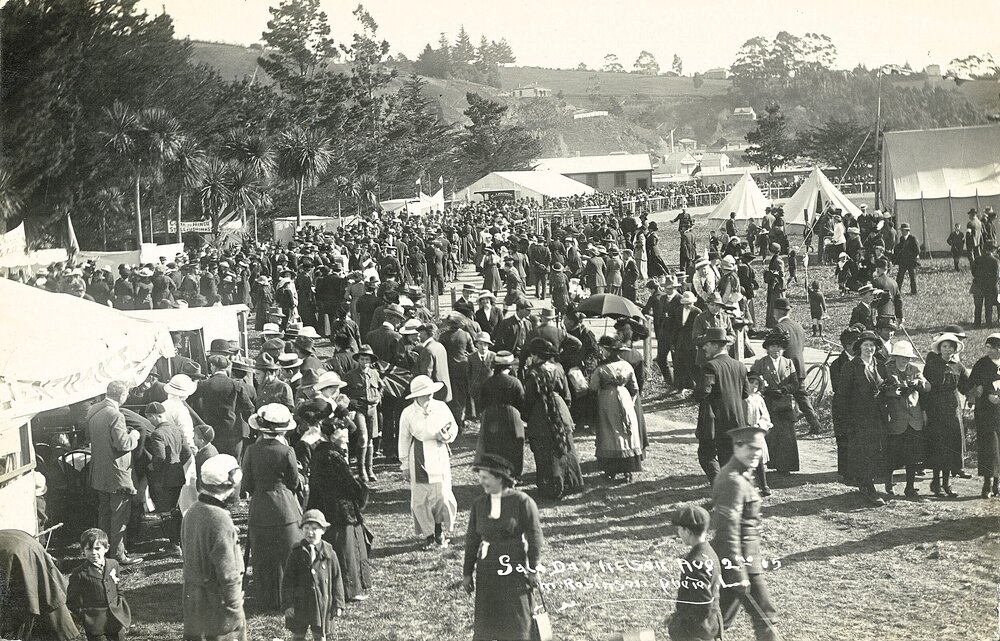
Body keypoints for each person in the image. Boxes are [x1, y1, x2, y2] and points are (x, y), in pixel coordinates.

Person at [462, 454, 544, 641]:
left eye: (485, 478)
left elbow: (535, 537)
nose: (482, 482)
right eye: (480, 478)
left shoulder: (522, 502)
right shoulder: (479, 504)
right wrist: (467, 573)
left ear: (500, 478)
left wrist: (532, 569)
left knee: (517, 622)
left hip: (514, 568)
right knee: (487, 624)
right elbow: (472, 540)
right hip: (487, 570)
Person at [711, 426, 779, 641]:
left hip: (744, 558)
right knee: (764, 616)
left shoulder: (742, 475)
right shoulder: (732, 480)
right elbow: (727, 529)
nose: (756, 454)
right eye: (751, 449)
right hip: (738, 561)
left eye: (759, 449)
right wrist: (738, 572)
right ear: (737, 447)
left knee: (718, 620)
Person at [242, 404, 303, 611]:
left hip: (259, 507)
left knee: (262, 557)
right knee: (287, 553)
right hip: (285, 507)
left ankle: (266, 598)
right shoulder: (287, 451)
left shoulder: (251, 450)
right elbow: (294, 482)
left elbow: (247, 484)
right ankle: (289, 597)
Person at [307, 414, 372, 602]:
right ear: (332, 434)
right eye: (342, 430)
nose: (346, 434)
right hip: (340, 510)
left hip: (325, 508)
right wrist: (361, 490)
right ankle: (350, 590)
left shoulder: (322, 452)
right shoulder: (333, 456)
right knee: (346, 552)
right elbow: (349, 484)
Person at [181, 454, 246, 641]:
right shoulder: (220, 518)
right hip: (218, 602)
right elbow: (228, 572)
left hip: (194, 600)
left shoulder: (192, 511)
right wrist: (234, 607)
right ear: (229, 485)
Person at [85, 381, 143, 565]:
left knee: (104, 513)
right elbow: (122, 444)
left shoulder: (94, 412)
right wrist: (134, 436)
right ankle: (118, 555)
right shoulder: (116, 415)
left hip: (100, 472)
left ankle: (102, 549)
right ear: (122, 395)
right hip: (116, 473)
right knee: (119, 515)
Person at [398, 375, 460, 547]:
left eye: (431, 392)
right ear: (416, 395)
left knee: (442, 493)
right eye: (425, 393)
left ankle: (439, 530)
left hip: (439, 451)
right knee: (421, 497)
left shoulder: (441, 407)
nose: (429, 395)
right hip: (418, 455)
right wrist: (404, 465)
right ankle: (428, 534)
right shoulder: (408, 413)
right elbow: (403, 438)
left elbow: (453, 427)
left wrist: (446, 436)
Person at [523, 337, 584, 498]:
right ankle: (570, 482)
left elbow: (529, 398)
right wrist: (564, 408)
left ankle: (551, 486)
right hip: (559, 407)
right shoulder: (558, 368)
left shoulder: (532, 373)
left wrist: (528, 416)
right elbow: (566, 394)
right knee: (564, 444)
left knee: (545, 450)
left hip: (541, 412)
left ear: (536, 356)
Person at [694, 328, 750, 484]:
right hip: (738, 420)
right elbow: (745, 393)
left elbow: (703, 391)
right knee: (729, 457)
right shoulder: (740, 366)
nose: (704, 348)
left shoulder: (710, 366)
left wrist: (696, 392)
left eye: (706, 344)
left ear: (715, 346)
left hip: (715, 421)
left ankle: (720, 485)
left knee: (706, 454)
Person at [841, 331, 890, 506]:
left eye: (872, 345)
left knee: (876, 449)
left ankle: (867, 482)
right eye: (865, 345)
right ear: (859, 347)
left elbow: (885, 386)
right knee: (863, 451)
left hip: (878, 415)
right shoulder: (851, 367)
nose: (869, 348)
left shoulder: (880, 365)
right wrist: (845, 419)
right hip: (859, 417)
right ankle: (868, 487)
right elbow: (843, 395)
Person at [280, 509, 345, 641]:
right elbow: (288, 580)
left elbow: (337, 579)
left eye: (315, 528)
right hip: (300, 603)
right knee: (298, 634)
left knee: (320, 634)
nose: (310, 532)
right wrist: (288, 604)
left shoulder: (329, 553)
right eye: (306, 527)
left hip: (321, 602)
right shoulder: (296, 553)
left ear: (323, 531)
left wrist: (338, 604)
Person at [663, 504, 723, 641]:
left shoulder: (695, 563)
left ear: (687, 531)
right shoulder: (709, 552)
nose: (678, 533)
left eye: (679, 529)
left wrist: (678, 621)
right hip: (709, 625)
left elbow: (702, 606)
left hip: (697, 632)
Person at [589, 335, 643, 483]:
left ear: (607, 351)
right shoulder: (627, 366)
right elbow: (634, 387)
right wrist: (630, 403)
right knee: (626, 432)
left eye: (602, 349)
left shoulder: (601, 369)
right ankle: (628, 469)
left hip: (607, 400)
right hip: (625, 399)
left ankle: (611, 469)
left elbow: (593, 387)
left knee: (609, 432)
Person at [922, 332, 969, 498]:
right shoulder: (932, 365)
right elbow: (925, 391)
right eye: (945, 346)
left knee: (950, 446)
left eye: (951, 346)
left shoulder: (958, 366)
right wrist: (925, 411)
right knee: (938, 446)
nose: (948, 349)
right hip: (936, 410)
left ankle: (946, 483)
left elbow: (966, 386)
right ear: (940, 348)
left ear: (955, 349)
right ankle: (935, 483)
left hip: (952, 410)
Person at [66, 528, 132, 641]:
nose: (94, 553)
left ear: (106, 548)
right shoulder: (80, 573)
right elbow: (72, 600)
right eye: (89, 549)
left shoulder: (113, 564)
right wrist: (84, 616)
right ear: (83, 550)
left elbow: (118, 587)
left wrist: (120, 604)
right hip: (95, 623)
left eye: (97, 548)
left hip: (116, 618)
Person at [882, 340, 929, 497]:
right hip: (896, 417)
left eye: (907, 357)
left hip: (914, 419)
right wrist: (893, 392)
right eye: (902, 356)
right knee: (892, 454)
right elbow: (880, 389)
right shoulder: (887, 370)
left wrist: (919, 383)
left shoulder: (915, 369)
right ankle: (889, 484)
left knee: (912, 456)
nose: (905, 360)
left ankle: (910, 487)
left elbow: (927, 386)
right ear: (895, 356)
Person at [751, 329, 800, 475]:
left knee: (786, 435)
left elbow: (795, 383)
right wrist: (765, 390)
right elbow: (752, 381)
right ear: (767, 348)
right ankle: (769, 464)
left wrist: (785, 389)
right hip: (769, 404)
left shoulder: (788, 363)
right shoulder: (760, 363)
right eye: (773, 346)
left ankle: (785, 466)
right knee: (771, 435)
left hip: (784, 404)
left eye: (779, 347)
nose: (776, 350)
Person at [772, 298, 824, 435]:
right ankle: (815, 424)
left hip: (786, 369)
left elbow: (778, 351)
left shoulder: (779, 328)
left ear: (777, 312)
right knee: (802, 398)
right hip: (799, 367)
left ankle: (784, 428)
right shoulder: (798, 326)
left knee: (782, 397)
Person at [145, 401, 190, 555]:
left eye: (150, 418)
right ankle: (181, 540)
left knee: (165, 512)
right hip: (177, 475)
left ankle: (174, 545)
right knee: (175, 509)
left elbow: (160, 457)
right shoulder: (177, 430)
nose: (150, 421)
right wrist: (176, 465)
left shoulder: (157, 434)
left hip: (163, 479)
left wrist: (151, 467)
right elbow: (187, 453)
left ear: (154, 416)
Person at [190, 355, 255, 460]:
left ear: (213, 366)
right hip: (233, 434)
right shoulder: (236, 385)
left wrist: (199, 422)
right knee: (233, 465)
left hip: (213, 433)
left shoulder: (204, 384)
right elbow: (249, 408)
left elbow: (190, 403)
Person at [476, 351, 525, 478]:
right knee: (514, 445)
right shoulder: (515, 382)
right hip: (512, 415)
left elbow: (481, 403)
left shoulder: (487, 382)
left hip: (492, 417)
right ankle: (514, 475)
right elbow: (522, 402)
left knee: (494, 445)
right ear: (509, 367)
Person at [967, 333, 1000, 499]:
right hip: (986, 412)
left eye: (992, 348)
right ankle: (987, 483)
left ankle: (997, 483)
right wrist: (985, 393)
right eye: (987, 347)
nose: (989, 351)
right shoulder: (981, 364)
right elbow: (973, 384)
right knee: (989, 448)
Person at [344, 345, 383, 482]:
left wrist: (378, 398)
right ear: (358, 360)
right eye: (362, 359)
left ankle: (370, 469)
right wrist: (350, 401)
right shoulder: (350, 375)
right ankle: (361, 471)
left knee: (371, 440)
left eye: (367, 359)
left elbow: (381, 387)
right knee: (363, 438)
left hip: (372, 409)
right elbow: (342, 392)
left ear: (371, 361)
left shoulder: (375, 374)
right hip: (359, 409)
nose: (364, 362)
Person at [830, 328, 860, 483]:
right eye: (856, 344)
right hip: (843, 408)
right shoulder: (837, 365)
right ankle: (846, 473)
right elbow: (839, 388)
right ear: (848, 346)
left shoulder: (862, 361)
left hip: (858, 407)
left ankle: (856, 471)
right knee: (844, 440)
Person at [744, 371, 773, 496]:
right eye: (751, 382)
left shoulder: (759, 399)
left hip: (756, 431)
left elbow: (766, 417)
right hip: (744, 430)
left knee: (759, 458)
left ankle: (764, 485)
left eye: (756, 384)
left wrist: (759, 425)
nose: (753, 386)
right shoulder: (742, 398)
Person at [670, 291, 700, 391]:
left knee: (692, 364)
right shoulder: (678, 310)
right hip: (680, 341)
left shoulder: (697, 312)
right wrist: (673, 342)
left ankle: (694, 386)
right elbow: (675, 328)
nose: (688, 306)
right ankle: (680, 387)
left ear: (693, 303)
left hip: (691, 342)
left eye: (690, 303)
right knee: (678, 364)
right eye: (686, 304)